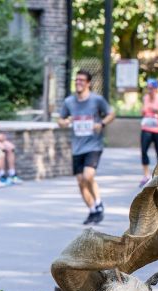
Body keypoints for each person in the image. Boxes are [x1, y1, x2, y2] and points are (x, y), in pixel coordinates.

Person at [58, 69, 114, 225]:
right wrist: (65, 122)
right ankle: (93, 210)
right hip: (77, 147)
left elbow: (111, 114)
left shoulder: (97, 100)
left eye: (82, 80)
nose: (78, 83)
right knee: (81, 181)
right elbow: (60, 120)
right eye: (76, 80)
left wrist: (101, 123)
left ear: (88, 83)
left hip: (93, 145)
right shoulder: (69, 102)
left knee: (88, 176)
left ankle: (98, 203)